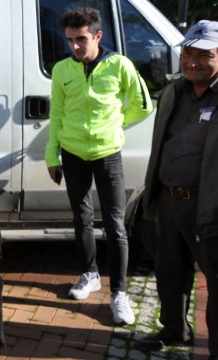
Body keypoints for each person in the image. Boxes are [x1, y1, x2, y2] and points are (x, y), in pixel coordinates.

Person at [44, 7, 152, 325]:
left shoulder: (120, 65)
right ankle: (89, 275)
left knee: (116, 226)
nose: (75, 46)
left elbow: (143, 105)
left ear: (97, 36)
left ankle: (119, 294)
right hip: (73, 155)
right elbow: (57, 117)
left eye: (82, 39)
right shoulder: (62, 69)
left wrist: (116, 124)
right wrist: (53, 156)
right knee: (81, 218)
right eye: (70, 40)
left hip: (108, 155)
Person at [134, 20, 218, 359]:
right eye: (188, 53)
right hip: (170, 200)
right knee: (169, 271)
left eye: (204, 55)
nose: (193, 61)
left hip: (209, 207)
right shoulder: (174, 91)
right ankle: (174, 331)